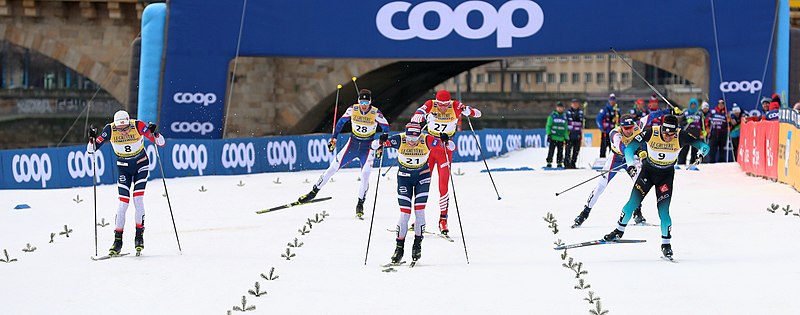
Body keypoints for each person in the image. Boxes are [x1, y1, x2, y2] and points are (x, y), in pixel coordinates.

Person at [602, 115, 710, 259]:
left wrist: (701, 154)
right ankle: (618, 231)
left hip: (665, 176)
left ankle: (666, 245)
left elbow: (704, 146)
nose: (667, 137)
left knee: (664, 213)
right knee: (632, 204)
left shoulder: (681, 135)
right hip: (648, 172)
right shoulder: (651, 132)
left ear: (676, 131)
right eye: (665, 133)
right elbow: (630, 148)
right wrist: (631, 164)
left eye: (671, 135)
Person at [298, 89, 390, 218]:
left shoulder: (375, 112)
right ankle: (313, 192)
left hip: (367, 147)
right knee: (332, 168)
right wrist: (334, 138)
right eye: (362, 101)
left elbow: (386, 127)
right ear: (358, 101)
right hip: (352, 145)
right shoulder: (353, 109)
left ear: (370, 102)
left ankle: (360, 203)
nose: (364, 105)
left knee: (365, 174)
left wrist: (381, 144)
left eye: (366, 102)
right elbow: (341, 123)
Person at [87, 110, 166, 256]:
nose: (123, 132)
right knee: (123, 203)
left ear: (129, 122)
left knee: (138, 200)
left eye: (125, 128)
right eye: (120, 129)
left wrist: (155, 133)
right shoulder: (109, 129)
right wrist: (92, 139)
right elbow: (91, 151)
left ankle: (139, 237)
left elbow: (161, 143)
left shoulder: (137, 125)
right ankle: (117, 242)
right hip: (123, 168)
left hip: (141, 165)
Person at [376, 122, 455, 264]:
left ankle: (417, 245)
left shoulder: (427, 139)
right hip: (404, 179)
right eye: (410, 138)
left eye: (415, 138)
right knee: (405, 214)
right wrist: (380, 142)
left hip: (422, 178)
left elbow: (451, 147)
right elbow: (375, 146)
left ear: (420, 135)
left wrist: (446, 141)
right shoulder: (400, 139)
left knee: (419, 212)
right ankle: (399, 249)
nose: (412, 142)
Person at [410, 90, 482, 235]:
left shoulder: (455, 105)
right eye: (440, 105)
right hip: (429, 148)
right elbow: (419, 112)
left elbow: (478, 113)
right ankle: (418, 219)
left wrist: (469, 111)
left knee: (443, 186)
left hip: (445, 149)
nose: (442, 108)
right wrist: (419, 115)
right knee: (422, 183)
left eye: (445, 105)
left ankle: (443, 220)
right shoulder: (431, 104)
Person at [573, 114, 648, 228]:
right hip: (616, 159)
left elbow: (651, 116)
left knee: (639, 184)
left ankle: (637, 212)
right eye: (626, 128)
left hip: (630, 158)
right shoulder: (615, 134)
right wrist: (632, 162)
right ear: (621, 127)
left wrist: (670, 112)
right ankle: (584, 213)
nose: (629, 130)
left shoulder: (637, 127)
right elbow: (624, 149)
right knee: (600, 187)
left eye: (631, 127)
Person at [677, 98, 705, 165]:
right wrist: (687, 121)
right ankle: (681, 162)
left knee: (695, 150)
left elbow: (702, 123)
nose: (693, 106)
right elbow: (681, 123)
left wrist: (703, 131)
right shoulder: (686, 112)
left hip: (696, 133)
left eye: (694, 104)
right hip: (687, 133)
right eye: (691, 104)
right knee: (684, 149)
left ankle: (693, 163)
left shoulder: (699, 114)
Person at [546, 101, 569, 168]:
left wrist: (566, 137)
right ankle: (549, 162)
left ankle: (559, 162)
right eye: (558, 107)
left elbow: (565, 128)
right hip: (553, 137)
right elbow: (548, 126)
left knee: (560, 152)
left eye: (561, 108)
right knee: (551, 151)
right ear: (556, 108)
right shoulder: (552, 116)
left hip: (561, 137)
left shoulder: (564, 117)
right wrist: (549, 134)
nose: (560, 109)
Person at [596, 93, 620, 158]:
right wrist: (601, 128)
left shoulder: (617, 110)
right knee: (604, 146)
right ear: (609, 100)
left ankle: (611, 160)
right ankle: (602, 159)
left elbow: (619, 120)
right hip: (606, 131)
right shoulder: (604, 110)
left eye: (614, 100)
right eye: (611, 100)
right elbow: (598, 119)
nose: (612, 101)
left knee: (613, 147)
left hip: (614, 132)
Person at [564, 99, 584, 169]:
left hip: (578, 133)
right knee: (568, 149)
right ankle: (566, 163)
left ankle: (573, 163)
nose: (575, 104)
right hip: (570, 133)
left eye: (576, 103)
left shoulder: (580, 112)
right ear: (571, 104)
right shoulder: (568, 112)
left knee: (576, 150)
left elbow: (581, 122)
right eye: (573, 103)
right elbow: (568, 122)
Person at [706, 99, 729, 163]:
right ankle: (711, 162)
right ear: (718, 104)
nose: (721, 105)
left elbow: (729, 124)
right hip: (714, 133)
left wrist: (729, 120)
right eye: (720, 104)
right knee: (713, 149)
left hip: (722, 133)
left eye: (722, 104)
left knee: (722, 149)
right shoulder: (713, 112)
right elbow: (707, 121)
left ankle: (721, 162)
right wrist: (708, 131)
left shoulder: (726, 113)